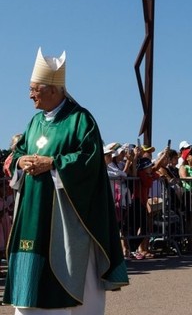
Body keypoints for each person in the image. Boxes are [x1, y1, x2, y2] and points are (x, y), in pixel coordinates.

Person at [3, 48, 128, 313]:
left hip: (65, 217)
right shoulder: (35, 122)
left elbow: (90, 160)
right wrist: (21, 162)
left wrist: (54, 163)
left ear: (53, 89)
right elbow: (18, 152)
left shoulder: (80, 119)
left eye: (34, 89)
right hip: (33, 214)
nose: (29, 95)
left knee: (71, 281)